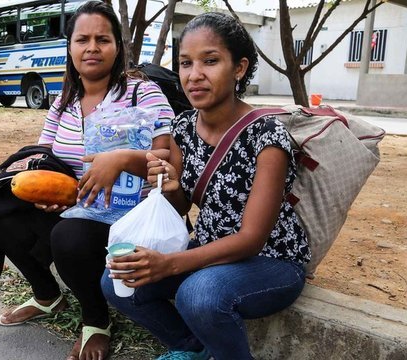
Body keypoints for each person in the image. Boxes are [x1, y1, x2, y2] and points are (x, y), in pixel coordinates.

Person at [101, 12, 310, 360]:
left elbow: (251, 239)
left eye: (210, 61)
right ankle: (195, 349)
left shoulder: (268, 137)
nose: (194, 75)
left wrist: (170, 263)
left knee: (197, 294)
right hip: (210, 253)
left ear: (239, 68)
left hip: (271, 261)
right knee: (118, 283)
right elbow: (182, 205)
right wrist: (169, 187)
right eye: (185, 63)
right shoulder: (183, 127)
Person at [0, 2, 174, 360]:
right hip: (77, 204)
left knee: (69, 236)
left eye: (102, 39)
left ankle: (96, 320)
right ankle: (47, 296)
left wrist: (121, 159)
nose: (92, 47)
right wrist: (38, 181)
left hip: (129, 215)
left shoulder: (143, 93)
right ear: (71, 48)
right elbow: (44, 155)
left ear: (117, 48)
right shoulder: (64, 101)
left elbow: (164, 161)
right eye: (82, 39)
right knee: (0, 208)